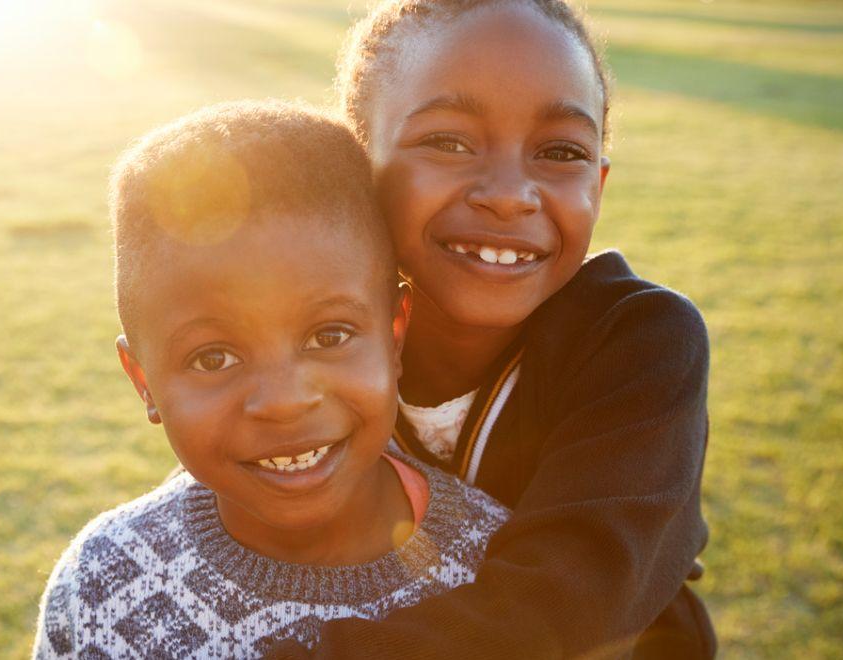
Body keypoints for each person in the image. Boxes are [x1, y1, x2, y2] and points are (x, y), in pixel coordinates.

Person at [267, 1, 715, 657]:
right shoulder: (316, 336)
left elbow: (572, 600)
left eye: (560, 151)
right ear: (357, 164)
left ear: (600, 184)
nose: (509, 193)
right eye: (448, 141)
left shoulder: (641, 340)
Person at [31, 100, 510, 659]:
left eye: (329, 336)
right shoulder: (103, 584)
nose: (284, 402)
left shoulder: (500, 570)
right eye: (213, 358)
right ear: (144, 381)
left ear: (395, 333)